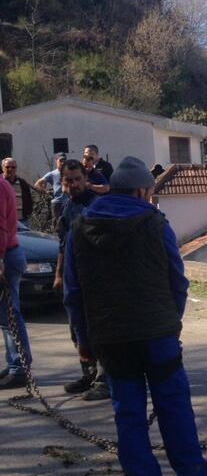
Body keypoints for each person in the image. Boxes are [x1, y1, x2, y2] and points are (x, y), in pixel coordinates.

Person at [63, 156, 207, 476]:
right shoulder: (155, 223)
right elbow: (178, 280)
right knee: (174, 408)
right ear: (140, 190)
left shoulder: (80, 228)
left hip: (111, 339)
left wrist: (84, 341)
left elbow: (73, 293)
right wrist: (171, 320)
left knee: (128, 416)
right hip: (157, 336)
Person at [53, 159, 106, 400]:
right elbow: (63, 244)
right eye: (68, 180)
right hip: (72, 277)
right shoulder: (67, 208)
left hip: (95, 279)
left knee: (97, 330)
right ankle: (88, 373)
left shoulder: (97, 207)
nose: (74, 184)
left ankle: (105, 381)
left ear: (86, 179)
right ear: (62, 182)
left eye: (77, 179)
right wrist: (58, 274)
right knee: (77, 328)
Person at [0, 173, 32, 390]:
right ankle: (15, 362)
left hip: (7, 256)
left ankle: (19, 367)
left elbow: (0, 226)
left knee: (9, 313)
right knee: (5, 315)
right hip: (8, 254)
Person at [34, 153, 67, 229]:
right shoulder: (52, 174)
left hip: (69, 202)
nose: (63, 163)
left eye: (64, 161)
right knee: (57, 226)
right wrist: (46, 191)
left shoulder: (69, 172)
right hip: (57, 204)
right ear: (56, 161)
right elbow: (36, 185)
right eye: (61, 160)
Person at [2, 158, 34, 223]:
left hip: (21, 220)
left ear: (16, 168)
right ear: (3, 168)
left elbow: (28, 199)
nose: (10, 169)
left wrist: (28, 213)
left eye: (13, 167)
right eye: (7, 167)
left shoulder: (22, 183)